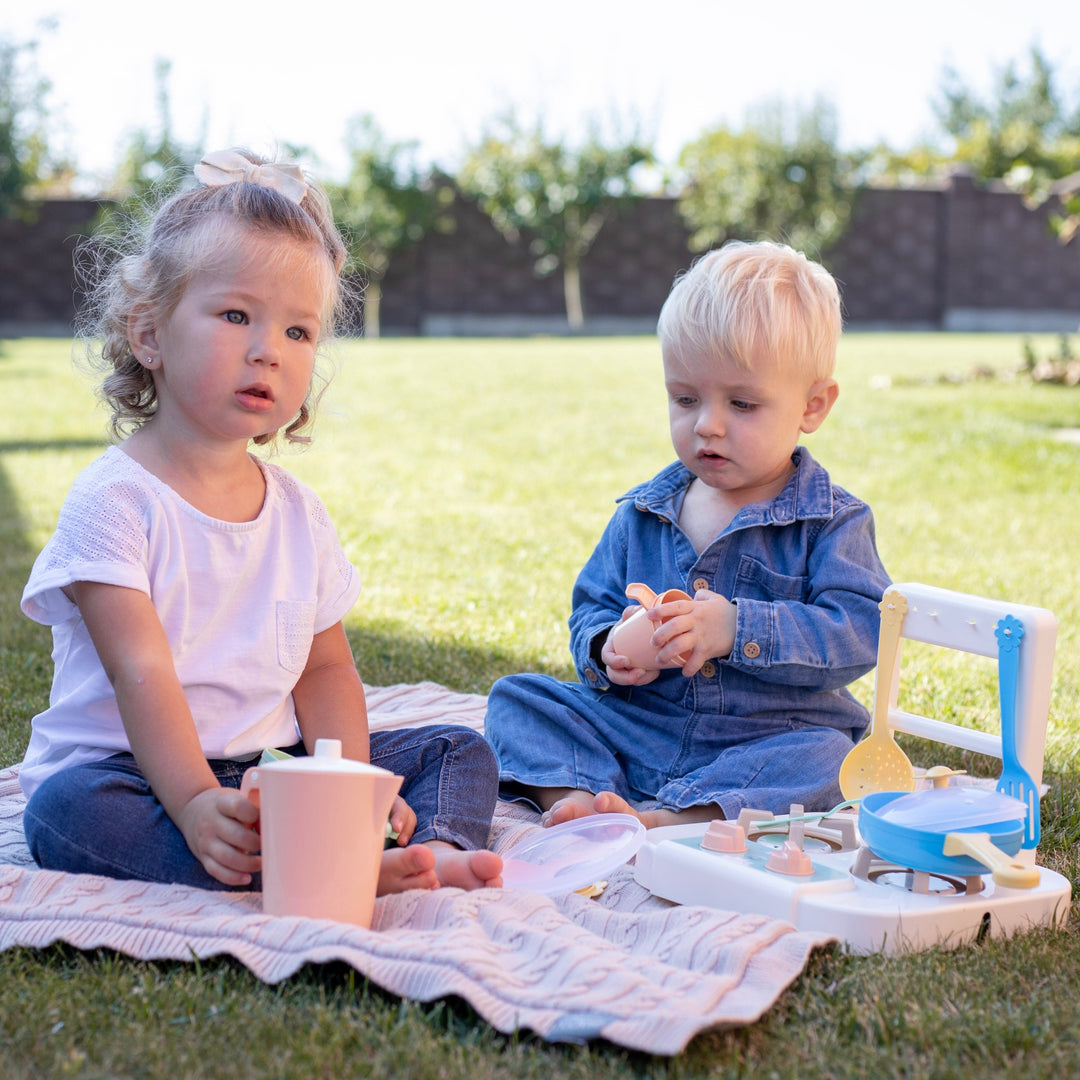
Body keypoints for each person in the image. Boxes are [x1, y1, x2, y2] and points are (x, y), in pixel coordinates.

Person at [20, 149, 502, 894]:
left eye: (297, 333)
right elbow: (138, 670)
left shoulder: (298, 514)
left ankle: (409, 850)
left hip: (268, 769)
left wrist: (345, 787)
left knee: (455, 749)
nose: (265, 351)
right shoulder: (115, 502)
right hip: (133, 772)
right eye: (237, 315)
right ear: (149, 333)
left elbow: (326, 667)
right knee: (61, 812)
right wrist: (194, 803)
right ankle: (305, 865)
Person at [485, 240, 891, 828]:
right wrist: (610, 647)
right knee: (520, 698)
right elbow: (591, 607)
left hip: (765, 738)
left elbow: (861, 629)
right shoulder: (642, 513)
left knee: (832, 756)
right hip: (642, 725)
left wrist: (738, 628)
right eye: (685, 398)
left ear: (812, 406)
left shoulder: (831, 521)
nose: (707, 424)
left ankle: (681, 818)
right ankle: (575, 797)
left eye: (743, 403)